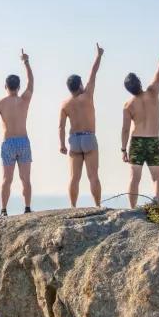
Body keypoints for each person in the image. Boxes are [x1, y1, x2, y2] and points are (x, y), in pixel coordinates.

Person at [121, 36, 159, 208]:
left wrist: (123, 149)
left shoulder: (128, 104)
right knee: (157, 178)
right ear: (139, 82)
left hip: (136, 141)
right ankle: (158, 208)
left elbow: (125, 130)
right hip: (152, 140)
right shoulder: (152, 92)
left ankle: (132, 210)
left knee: (134, 178)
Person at [0, 49, 34, 216]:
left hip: (8, 143)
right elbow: (31, 82)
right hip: (23, 141)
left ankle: (4, 210)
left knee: (7, 179)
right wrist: (26, 62)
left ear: (5, 86)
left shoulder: (1, 103)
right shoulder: (24, 99)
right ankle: (27, 208)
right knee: (25, 179)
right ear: (19, 87)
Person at [58, 43, 103, 207]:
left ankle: (73, 207)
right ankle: (97, 205)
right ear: (79, 85)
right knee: (93, 176)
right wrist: (99, 55)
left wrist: (62, 144)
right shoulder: (87, 96)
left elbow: (61, 127)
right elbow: (93, 73)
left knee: (74, 177)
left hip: (74, 140)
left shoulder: (65, 104)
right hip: (89, 137)